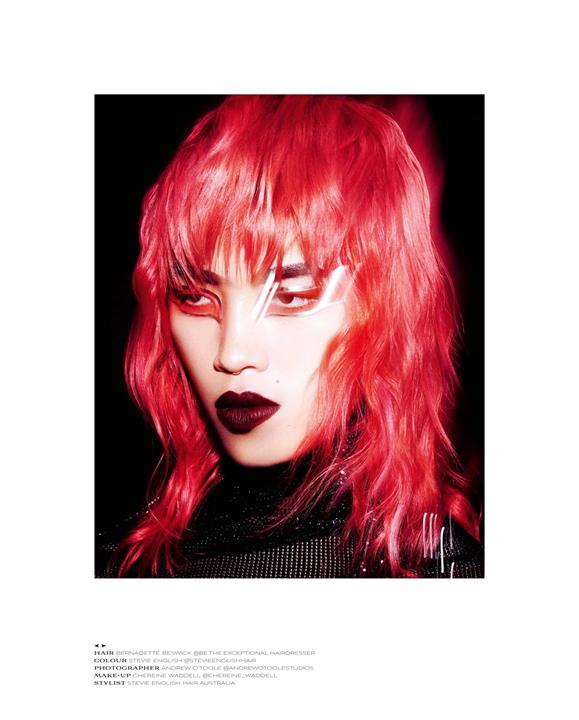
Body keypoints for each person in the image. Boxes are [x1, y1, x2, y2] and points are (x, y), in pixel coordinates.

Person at [97, 95, 483, 578]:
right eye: (195, 297)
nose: (232, 353)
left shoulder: (449, 575)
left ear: (387, 307)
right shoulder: (120, 562)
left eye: (293, 296)